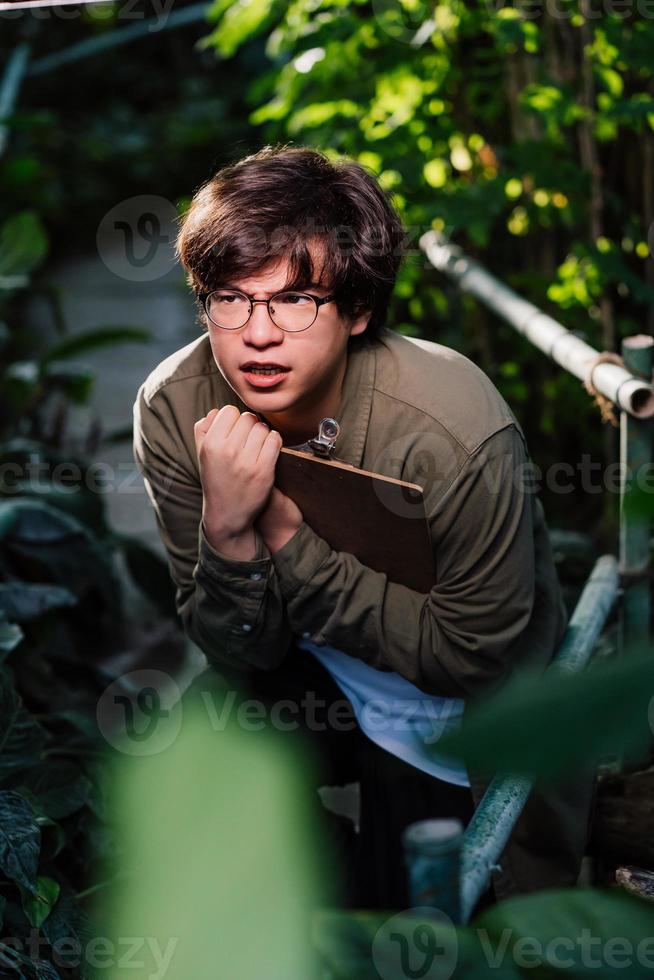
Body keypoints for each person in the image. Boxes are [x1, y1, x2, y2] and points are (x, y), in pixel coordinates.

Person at [132, 144, 595, 912]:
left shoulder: (452, 425)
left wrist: (281, 534)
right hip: (304, 672)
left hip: (455, 708)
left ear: (357, 312)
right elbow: (232, 645)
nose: (257, 333)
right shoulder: (175, 407)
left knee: (427, 916)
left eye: (296, 301)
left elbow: (475, 658)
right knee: (203, 816)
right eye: (231, 298)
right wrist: (228, 539)